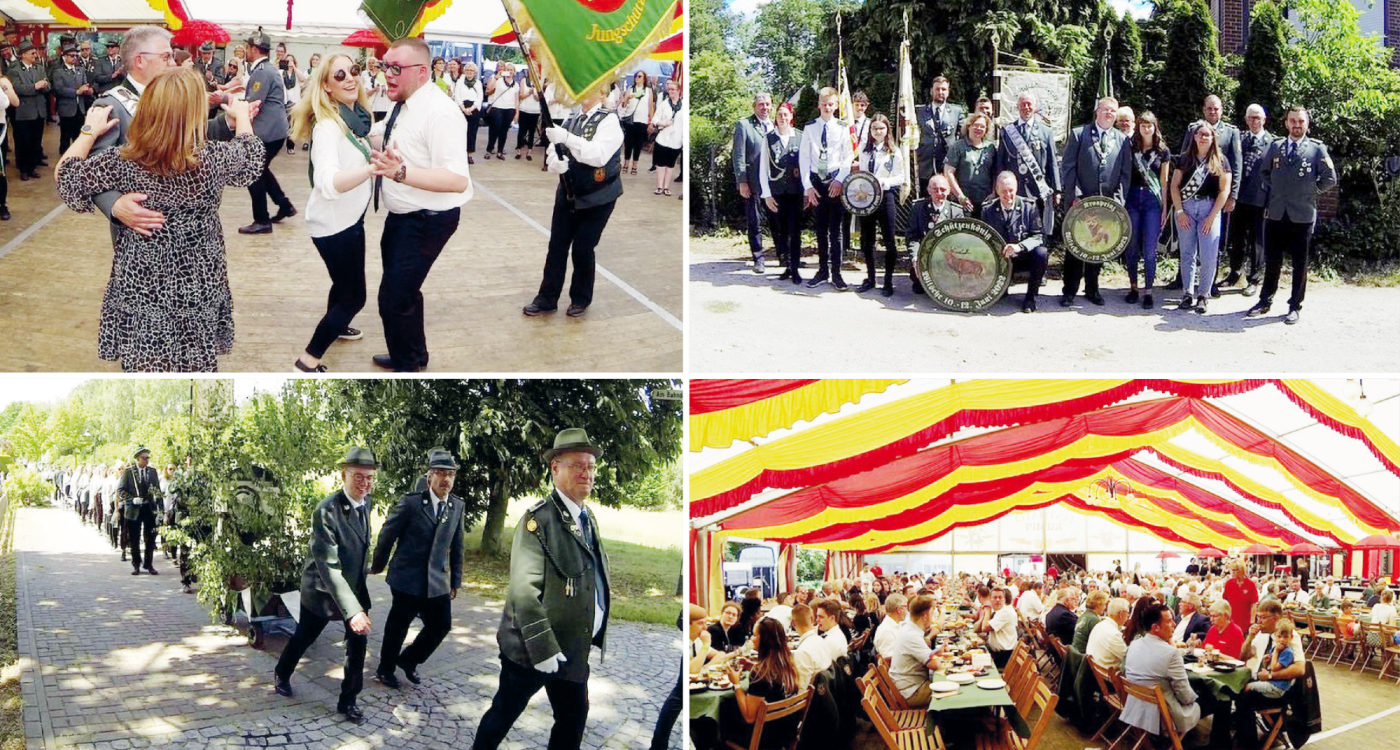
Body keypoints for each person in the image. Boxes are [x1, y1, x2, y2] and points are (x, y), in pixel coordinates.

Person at [56, 68, 263, 372]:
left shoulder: (123, 161)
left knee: (144, 363)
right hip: (198, 278)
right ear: (193, 115)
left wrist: (89, 132)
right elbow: (252, 157)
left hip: (142, 280)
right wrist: (242, 118)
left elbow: (66, 177)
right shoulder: (213, 158)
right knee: (194, 363)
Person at [474, 428, 613, 750]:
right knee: (504, 713)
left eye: (591, 466)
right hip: (532, 649)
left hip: (573, 648)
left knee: (572, 719)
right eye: (578, 465)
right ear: (555, 468)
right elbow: (524, 591)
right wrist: (543, 648)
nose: (587, 473)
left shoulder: (586, 516)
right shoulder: (538, 520)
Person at [367, 37, 473, 372]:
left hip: (428, 219)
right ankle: (412, 354)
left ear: (423, 72)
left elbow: (457, 180)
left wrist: (399, 172)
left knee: (393, 299)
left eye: (396, 68)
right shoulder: (404, 101)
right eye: (386, 66)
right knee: (406, 293)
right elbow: (379, 134)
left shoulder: (441, 113)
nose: (388, 74)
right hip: (402, 216)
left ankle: (408, 368)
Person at [273, 447, 377, 724]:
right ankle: (282, 672)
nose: (365, 483)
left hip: (353, 589)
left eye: (369, 478)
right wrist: (353, 611)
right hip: (322, 590)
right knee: (305, 637)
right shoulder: (326, 511)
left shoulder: (366, 503)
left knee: (357, 645)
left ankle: (348, 700)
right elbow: (328, 566)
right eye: (358, 476)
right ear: (344, 474)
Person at [290, 54, 374, 373]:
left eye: (353, 70)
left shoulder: (353, 118)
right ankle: (308, 360)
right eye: (340, 75)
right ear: (326, 86)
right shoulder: (328, 126)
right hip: (335, 225)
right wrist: (369, 170)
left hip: (349, 219)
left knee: (342, 285)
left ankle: (336, 326)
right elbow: (328, 183)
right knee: (354, 298)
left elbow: (358, 152)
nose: (350, 78)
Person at [522, 84, 621, 319]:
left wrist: (567, 137)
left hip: (599, 196)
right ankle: (547, 298)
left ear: (602, 93)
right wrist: (554, 159)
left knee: (583, 248)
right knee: (557, 246)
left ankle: (581, 298)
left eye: (590, 87)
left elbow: (598, 154)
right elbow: (557, 147)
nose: (583, 91)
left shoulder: (609, 121)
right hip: (569, 191)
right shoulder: (573, 118)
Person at [369, 448, 464, 687]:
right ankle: (385, 669)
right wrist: (378, 565)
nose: (446, 479)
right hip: (406, 578)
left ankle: (409, 660)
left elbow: (458, 545)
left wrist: (455, 581)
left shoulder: (456, 506)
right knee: (397, 627)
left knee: (441, 625)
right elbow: (387, 535)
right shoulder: (411, 503)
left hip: (437, 581)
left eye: (450, 474)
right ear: (430, 476)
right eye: (441, 473)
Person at [1248, 105, 1337, 325]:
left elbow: (1330, 178)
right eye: (1293, 121)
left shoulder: (1317, 149)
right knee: (1273, 261)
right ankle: (1264, 301)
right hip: (1277, 213)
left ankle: (1294, 306)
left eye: (1301, 121)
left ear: (1307, 124)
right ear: (1286, 123)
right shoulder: (1276, 146)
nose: (1297, 125)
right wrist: (1277, 190)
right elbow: (1264, 172)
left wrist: (1311, 192)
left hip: (1302, 215)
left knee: (1299, 263)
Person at [1060, 96, 1131, 307]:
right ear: (1097, 111)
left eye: (1112, 111)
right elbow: (1069, 167)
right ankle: (1069, 292)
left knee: (1098, 247)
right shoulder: (1079, 134)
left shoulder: (1123, 140)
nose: (1109, 113)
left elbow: (1125, 174)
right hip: (1080, 203)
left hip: (1106, 205)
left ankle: (1092, 289)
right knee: (1075, 248)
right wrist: (1076, 196)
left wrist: (1117, 201)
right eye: (1105, 110)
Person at [1174, 96, 1242, 296]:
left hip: (1213, 202)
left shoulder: (1231, 132)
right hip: (1188, 202)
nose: (1213, 112)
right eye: (1209, 109)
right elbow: (1183, 165)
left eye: (1216, 109)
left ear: (1221, 110)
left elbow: (1236, 166)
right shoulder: (1192, 130)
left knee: (1212, 248)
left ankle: (1207, 288)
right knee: (1187, 251)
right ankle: (1186, 287)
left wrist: (1233, 196)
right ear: (1204, 110)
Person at [235, 28, 295, 235]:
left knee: (253, 172)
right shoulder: (267, 70)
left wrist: (229, 103)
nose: (246, 50)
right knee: (262, 170)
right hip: (274, 131)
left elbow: (253, 103)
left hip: (266, 132)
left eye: (248, 47)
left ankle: (262, 220)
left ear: (254, 49)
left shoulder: (262, 73)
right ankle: (284, 205)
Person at [1168, 120, 1232, 314]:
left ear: (1213, 138)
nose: (1203, 137)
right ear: (1194, 137)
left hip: (1209, 209)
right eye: (1199, 134)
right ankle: (1187, 293)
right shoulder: (1185, 159)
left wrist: (1212, 217)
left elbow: (1224, 190)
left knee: (1209, 255)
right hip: (1187, 208)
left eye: (1207, 134)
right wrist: (1179, 211)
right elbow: (1174, 186)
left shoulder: (1221, 161)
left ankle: (1203, 295)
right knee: (1187, 253)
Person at [1119, 602, 1203, 737]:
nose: (1174, 625)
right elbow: (1185, 695)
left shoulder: (1134, 645)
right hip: (1162, 717)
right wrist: (1196, 698)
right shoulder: (1171, 653)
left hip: (1136, 708)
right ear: (1155, 628)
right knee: (1210, 698)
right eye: (1169, 621)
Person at [1234, 600, 1307, 746]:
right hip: (1260, 680)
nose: (1259, 621)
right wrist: (1249, 638)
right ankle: (1230, 735)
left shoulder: (1289, 637)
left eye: (1262, 617)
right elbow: (1243, 656)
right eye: (1258, 617)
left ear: (1275, 619)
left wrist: (1271, 676)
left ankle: (1248, 745)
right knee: (1230, 689)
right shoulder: (1261, 634)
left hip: (1280, 688)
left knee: (1244, 697)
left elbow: (1300, 669)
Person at [800, 87, 852, 289]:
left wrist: (839, 180)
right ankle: (822, 270)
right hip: (816, 182)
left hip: (835, 179)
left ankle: (837, 273)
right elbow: (804, 158)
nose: (827, 107)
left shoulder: (842, 127)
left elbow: (847, 157)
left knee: (836, 230)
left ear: (836, 105)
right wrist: (808, 187)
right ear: (819, 105)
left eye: (831, 104)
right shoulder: (810, 127)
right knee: (820, 229)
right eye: (824, 104)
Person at [724, 619, 802, 749]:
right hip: (785, 733)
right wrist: (752, 666)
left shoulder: (760, 674)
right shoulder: (788, 664)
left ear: (764, 639)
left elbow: (749, 717)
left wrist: (736, 684)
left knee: (719, 720)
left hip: (764, 740)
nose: (752, 638)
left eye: (755, 635)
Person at [995, 90, 1060, 244]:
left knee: (1037, 226)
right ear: (1017, 107)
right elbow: (1000, 162)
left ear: (1035, 107)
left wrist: (1056, 189)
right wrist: (997, 187)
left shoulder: (1046, 131)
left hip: (1038, 189)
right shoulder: (1007, 131)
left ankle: (1038, 257)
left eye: (1029, 104)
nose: (1026, 107)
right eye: (1022, 104)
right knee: (1014, 225)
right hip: (1014, 190)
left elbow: (1052, 162)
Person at [1223, 103, 1273, 297]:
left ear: (1264, 119)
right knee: (1236, 238)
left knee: (1257, 241)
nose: (1254, 121)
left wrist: (1271, 201)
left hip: (1260, 199)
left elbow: (1274, 175)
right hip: (1238, 197)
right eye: (1251, 117)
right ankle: (1235, 273)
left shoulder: (1273, 143)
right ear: (1246, 120)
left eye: (1258, 117)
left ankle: (1254, 279)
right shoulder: (1240, 140)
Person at [1124, 110, 1171, 309]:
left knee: (1150, 249)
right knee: (1132, 246)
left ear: (1155, 127)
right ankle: (1134, 287)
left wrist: (1164, 208)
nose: (1146, 128)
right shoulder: (1130, 147)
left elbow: (1164, 182)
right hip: (1133, 198)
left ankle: (1149, 291)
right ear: (1138, 127)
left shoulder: (1163, 151)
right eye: (1143, 125)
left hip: (1153, 200)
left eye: (1149, 125)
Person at [854, 114, 905, 295]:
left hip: (886, 197)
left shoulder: (894, 151)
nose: (878, 131)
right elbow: (861, 173)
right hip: (867, 199)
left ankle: (888, 281)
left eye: (881, 128)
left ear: (887, 130)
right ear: (870, 131)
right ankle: (870, 278)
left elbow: (901, 177)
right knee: (867, 240)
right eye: (874, 128)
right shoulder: (865, 150)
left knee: (889, 240)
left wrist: (885, 182)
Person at [983, 171, 1048, 312]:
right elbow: (983, 239)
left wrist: (1020, 246)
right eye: (1004, 191)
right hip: (1000, 258)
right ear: (997, 190)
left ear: (1016, 188)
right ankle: (1001, 286)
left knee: (1041, 253)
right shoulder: (988, 210)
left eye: (1011, 190)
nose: (1008, 195)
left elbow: (1039, 237)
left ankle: (1030, 297)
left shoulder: (1029, 206)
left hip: (1023, 256)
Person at [760, 101, 803, 284]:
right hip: (777, 193)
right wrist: (767, 195)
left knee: (795, 232)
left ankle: (795, 268)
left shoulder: (800, 137)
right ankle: (785, 265)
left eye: (786, 114)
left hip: (796, 192)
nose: (783, 118)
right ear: (776, 118)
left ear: (791, 116)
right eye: (779, 115)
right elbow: (763, 169)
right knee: (781, 232)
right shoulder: (768, 138)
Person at [734, 92, 776, 272]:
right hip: (752, 182)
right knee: (755, 221)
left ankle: (784, 255)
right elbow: (738, 155)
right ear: (754, 107)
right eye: (761, 105)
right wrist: (742, 181)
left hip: (774, 183)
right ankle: (758, 257)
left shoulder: (775, 125)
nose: (765, 107)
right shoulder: (744, 125)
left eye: (767, 104)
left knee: (777, 220)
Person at [116, 446, 163, 576]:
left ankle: (149, 564)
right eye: (144, 458)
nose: (146, 460)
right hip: (134, 509)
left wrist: (160, 511)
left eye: (147, 458)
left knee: (150, 538)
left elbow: (157, 491)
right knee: (134, 538)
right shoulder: (128, 472)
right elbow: (121, 491)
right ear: (137, 458)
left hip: (148, 508)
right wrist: (131, 499)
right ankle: (136, 564)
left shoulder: (152, 472)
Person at [890, 595, 943, 707]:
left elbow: (930, 657)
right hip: (911, 692)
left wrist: (936, 652)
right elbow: (935, 664)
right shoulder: (912, 635)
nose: (932, 618)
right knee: (950, 690)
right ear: (925, 616)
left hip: (909, 686)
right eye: (932, 614)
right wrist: (936, 656)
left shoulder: (910, 629)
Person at [944, 111, 996, 217]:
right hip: (962, 202)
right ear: (969, 126)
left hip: (985, 201)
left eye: (982, 126)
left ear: (986, 130)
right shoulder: (958, 147)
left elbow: (996, 173)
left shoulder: (990, 148)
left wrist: (994, 193)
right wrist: (960, 196)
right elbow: (948, 172)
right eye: (976, 125)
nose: (978, 128)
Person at [11, 40, 48, 181]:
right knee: (23, 142)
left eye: (35, 52)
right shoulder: (14, 71)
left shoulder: (39, 68)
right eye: (32, 53)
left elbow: (48, 85)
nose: (35, 55)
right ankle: (23, 169)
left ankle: (32, 167)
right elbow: (18, 89)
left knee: (35, 141)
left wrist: (45, 86)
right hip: (24, 112)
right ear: (23, 55)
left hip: (39, 111)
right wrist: (35, 87)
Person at [914, 76, 963, 180]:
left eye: (944, 89)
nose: (940, 92)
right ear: (931, 91)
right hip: (925, 165)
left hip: (947, 165)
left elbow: (963, 137)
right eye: (937, 89)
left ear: (948, 92)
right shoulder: (919, 111)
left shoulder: (957, 111)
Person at [53, 45, 92, 154]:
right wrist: (76, 92)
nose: (74, 58)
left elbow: (85, 83)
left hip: (80, 108)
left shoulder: (80, 70)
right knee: (65, 136)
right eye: (71, 56)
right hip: (66, 109)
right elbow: (59, 89)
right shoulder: (59, 72)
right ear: (64, 57)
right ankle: (64, 160)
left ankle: (77, 157)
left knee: (78, 135)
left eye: (76, 56)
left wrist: (87, 89)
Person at [649, 79, 683, 198]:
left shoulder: (684, 106)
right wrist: (662, 123)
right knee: (661, 164)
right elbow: (655, 119)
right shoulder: (664, 104)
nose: (671, 91)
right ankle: (659, 186)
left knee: (670, 165)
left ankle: (666, 187)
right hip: (663, 139)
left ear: (679, 91)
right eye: (669, 89)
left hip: (676, 141)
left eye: (673, 89)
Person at [791, 603, 833, 689]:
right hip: (828, 694)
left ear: (793, 623)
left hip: (815, 700)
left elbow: (801, 690)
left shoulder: (802, 653)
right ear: (812, 619)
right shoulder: (822, 641)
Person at [482, 61, 518, 160]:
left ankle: (500, 151)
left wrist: (517, 113)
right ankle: (489, 150)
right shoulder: (498, 80)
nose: (509, 72)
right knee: (495, 129)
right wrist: (497, 77)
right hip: (498, 108)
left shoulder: (516, 84)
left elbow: (516, 99)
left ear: (514, 72)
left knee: (504, 131)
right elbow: (489, 89)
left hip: (510, 109)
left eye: (511, 70)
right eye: (507, 69)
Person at [1086, 597, 1131, 670]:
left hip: (1095, 671)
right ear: (1121, 614)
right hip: (1106, 676)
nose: (1128, 616)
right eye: (1127, 613)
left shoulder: (1099, 625)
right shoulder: (1113, 634)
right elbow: (1129, 658)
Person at [980, 588, 1019, 668]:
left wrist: (987, 611)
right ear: (990, 599)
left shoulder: (1005, 612)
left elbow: (984, 628)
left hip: (1003, 656)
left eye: (1000, 597)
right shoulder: (998, 611)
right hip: (995, 652)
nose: (997, 600)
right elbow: (976, 628)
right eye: (994, 597)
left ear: (1004, 600)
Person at [455, 61, 484, 164]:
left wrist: (471, 109)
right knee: (460, 132)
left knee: (472, 133)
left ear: (475, 72)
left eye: (471, 70)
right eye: (467, 70)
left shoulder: (478, 83)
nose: (469, 72)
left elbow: (480, 98)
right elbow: (457, 96)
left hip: (473, 109)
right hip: (461, 108)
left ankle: (469, 154)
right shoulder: (460, 82)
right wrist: (463, 108)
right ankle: (460, 154)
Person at [279, 53, 307, 154]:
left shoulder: (297, 73)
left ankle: (290, 146)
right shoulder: (281, 72)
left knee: (291, 125)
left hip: (294, 102)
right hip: (284, 101)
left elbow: (303, 79)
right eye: (287, 61)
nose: (289, 63)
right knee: (283, 124)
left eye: (291, 61)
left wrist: (294, 68)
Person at [1222, 561, 1259, 634]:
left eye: (1236, 570)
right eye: (1232, 570)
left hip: (1245, 620)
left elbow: (1253, 605)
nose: (1233, 572)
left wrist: (1252, 621)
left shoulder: (1250, 584)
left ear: (1242, 571)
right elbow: (1224, 602)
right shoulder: (1229, 583)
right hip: (1231, 620)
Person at [515, 71, 541, 160]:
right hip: (524, 109)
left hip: (535, 111)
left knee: (532, 132)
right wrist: (528, 93)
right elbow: (521, 95)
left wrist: (534, 94)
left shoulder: (539, 82)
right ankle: (518, 150)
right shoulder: (523, 80)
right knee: (521, 131)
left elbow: (540, 98)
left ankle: (529, 152)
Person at [874, 593, 908, 659]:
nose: (907, 610)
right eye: (905, 607)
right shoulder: (886, 631)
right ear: (898, 610)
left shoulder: (899, 624)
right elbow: (887, 660)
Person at [363, 57, 389, 121]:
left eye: (379, 67)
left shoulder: (387, 79)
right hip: (373, 108)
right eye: (376, 67)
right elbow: (366, 94)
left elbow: (390, 93)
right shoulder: (368, 79)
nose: (377, 69)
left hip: (385, 108)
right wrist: (374, 89)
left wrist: (384, 87)